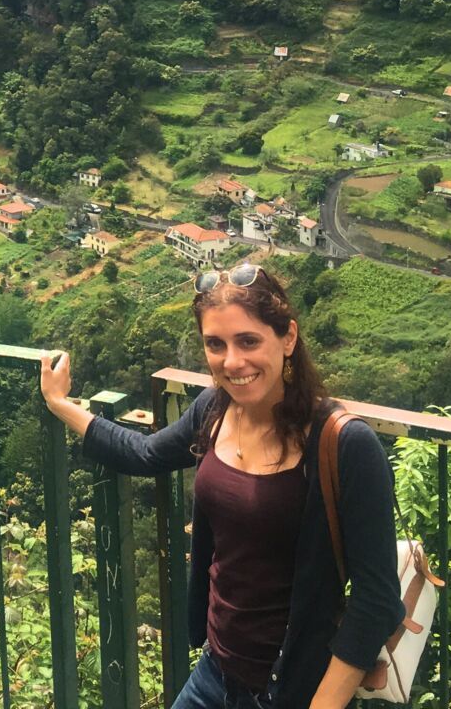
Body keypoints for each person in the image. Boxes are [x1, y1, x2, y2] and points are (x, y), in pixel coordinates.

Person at [39, 262, 404, 709]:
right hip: (214, 674)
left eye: (248, 341)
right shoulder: (213, 409)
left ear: (287, 338)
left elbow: (376, 600)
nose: (232, 362)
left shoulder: (344, 443)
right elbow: (146, 454)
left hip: (288, 688)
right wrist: (62, 405)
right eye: (216, 344)